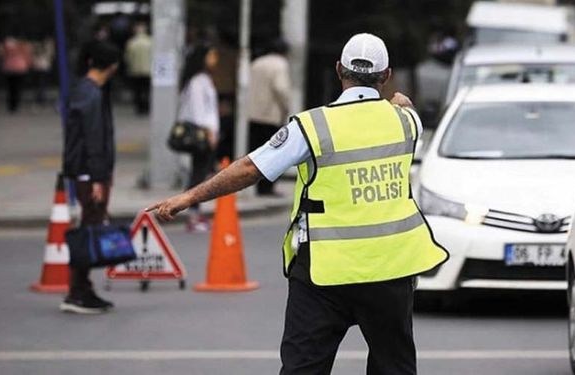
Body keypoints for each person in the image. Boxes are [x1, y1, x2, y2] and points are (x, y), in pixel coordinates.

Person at [148, 33, 449, 373]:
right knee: (394, 368)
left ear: (339, 70)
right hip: (391, 271)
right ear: (387, 75)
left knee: (303, 369)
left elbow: (251, 168)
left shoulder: (312, 126)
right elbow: (405, 109)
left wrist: (189, 196)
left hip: (324, 273)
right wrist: (400, 102)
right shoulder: (407, 122)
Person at [61, 41, 120, 314]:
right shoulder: (92, 95)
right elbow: (94, 139)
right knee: (89, 230)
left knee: (89, 227)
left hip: (84, 171)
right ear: (112, 66)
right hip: (89, 173)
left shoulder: (83, 90)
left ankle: (82, 289)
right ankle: (78, 292)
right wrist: (99, 178)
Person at [177, 43, 220, 232]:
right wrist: (209, 132)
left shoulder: (203, 79)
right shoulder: (197, 81)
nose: (215, 59)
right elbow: (198, 111)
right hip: (202, 134)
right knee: (198, 174)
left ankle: (195, 212)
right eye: (211, 55)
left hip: (207, 133)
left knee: (201, 172)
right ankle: (192, 214)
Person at [247, 38, 290, 196]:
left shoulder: (256, 63)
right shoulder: (280, 64)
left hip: (253, 114)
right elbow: (281, 88)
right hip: (271, 115)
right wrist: (286, 107)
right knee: (274, 153)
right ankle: (267, 188)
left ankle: (258, 186)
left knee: (257, 152)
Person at [0, 33, 32, 113]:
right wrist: (28, 64)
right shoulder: (24, 45)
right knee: (17, 88)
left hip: (9, 68)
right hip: (20, 68)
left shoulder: (8, 44)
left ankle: (11, 105)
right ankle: (15, 105)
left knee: (10, 88)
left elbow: (1, 54)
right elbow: (28, 56)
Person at [125, 22, 152, 115]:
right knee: (147, 90)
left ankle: (139, 107)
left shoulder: (131, 43)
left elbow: (128, 57)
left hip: (135, 70)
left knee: (138, 90)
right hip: (148, 70)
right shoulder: (150, 42)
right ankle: (146, 106)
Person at [31, 35, 55, 108]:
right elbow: (51, 56)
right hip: (42, 67)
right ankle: (41, 98)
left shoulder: (42, 47)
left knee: (41, 84)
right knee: (41, 84)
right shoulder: (44, 46)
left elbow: (51, 56)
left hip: (41, 67)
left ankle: (40, 98)